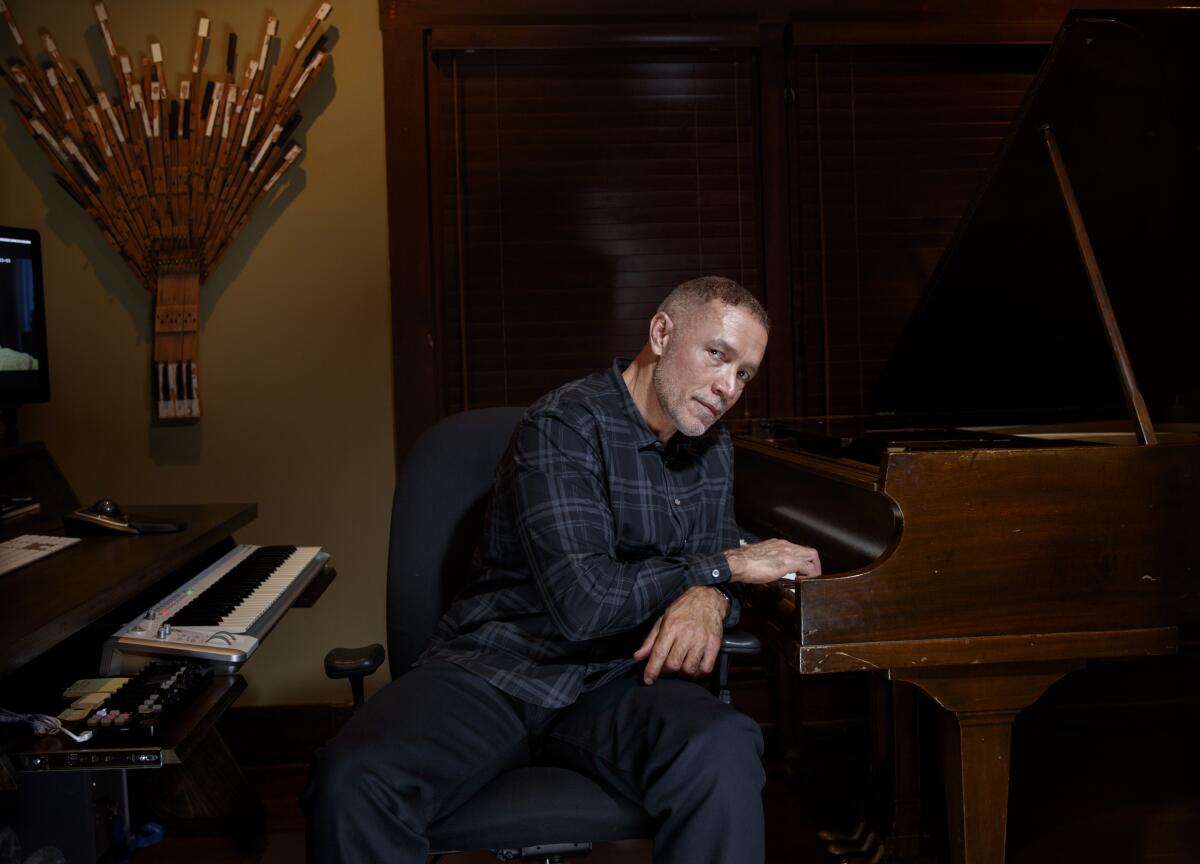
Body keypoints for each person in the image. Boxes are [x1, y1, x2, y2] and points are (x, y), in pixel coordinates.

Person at [304, 276, 821, 862]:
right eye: (717, 355)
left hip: (618, 678)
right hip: (497, 669)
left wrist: (709, 594)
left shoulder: (712, 448)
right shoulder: (562, 425)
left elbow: (711, 575)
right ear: (661, 332)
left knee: (723, 746)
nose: (728, 386)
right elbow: (585, 603)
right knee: (353, 778)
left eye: (745, 373)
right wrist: (725, 566)